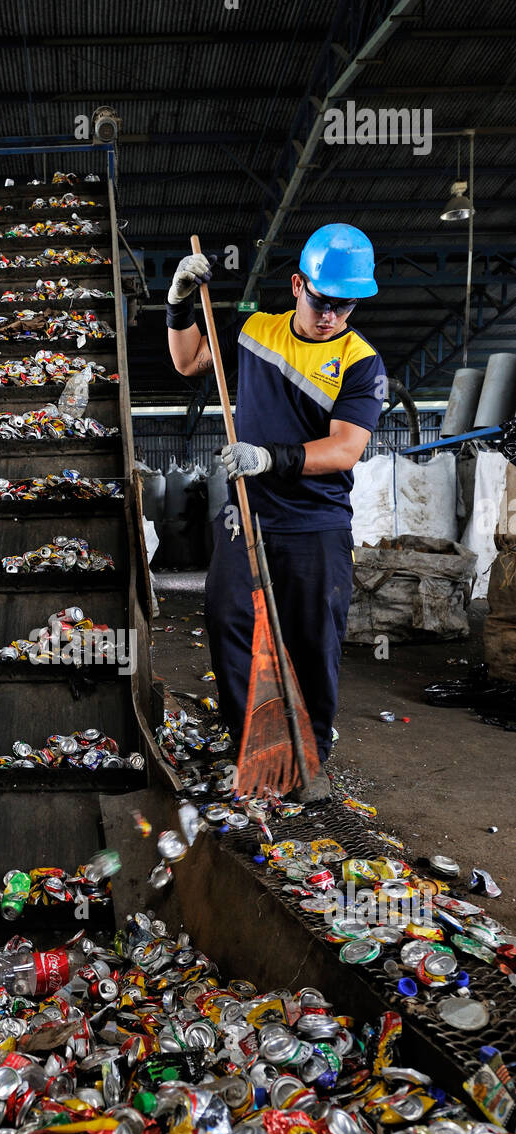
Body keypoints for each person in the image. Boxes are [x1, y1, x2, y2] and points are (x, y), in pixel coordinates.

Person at [167, 224, 385, 802]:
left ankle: (309, 754)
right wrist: (178, 304)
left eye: (345, 306)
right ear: (297, 285)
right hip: (248, 515)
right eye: (321, 301)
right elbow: (190, 363)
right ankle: (252, 748)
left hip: (316, 525)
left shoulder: (360, 362)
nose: (331, 315)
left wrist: (268, 457)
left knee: (313, 641)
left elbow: (344, 448)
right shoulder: (254, 334)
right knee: (231, 622)